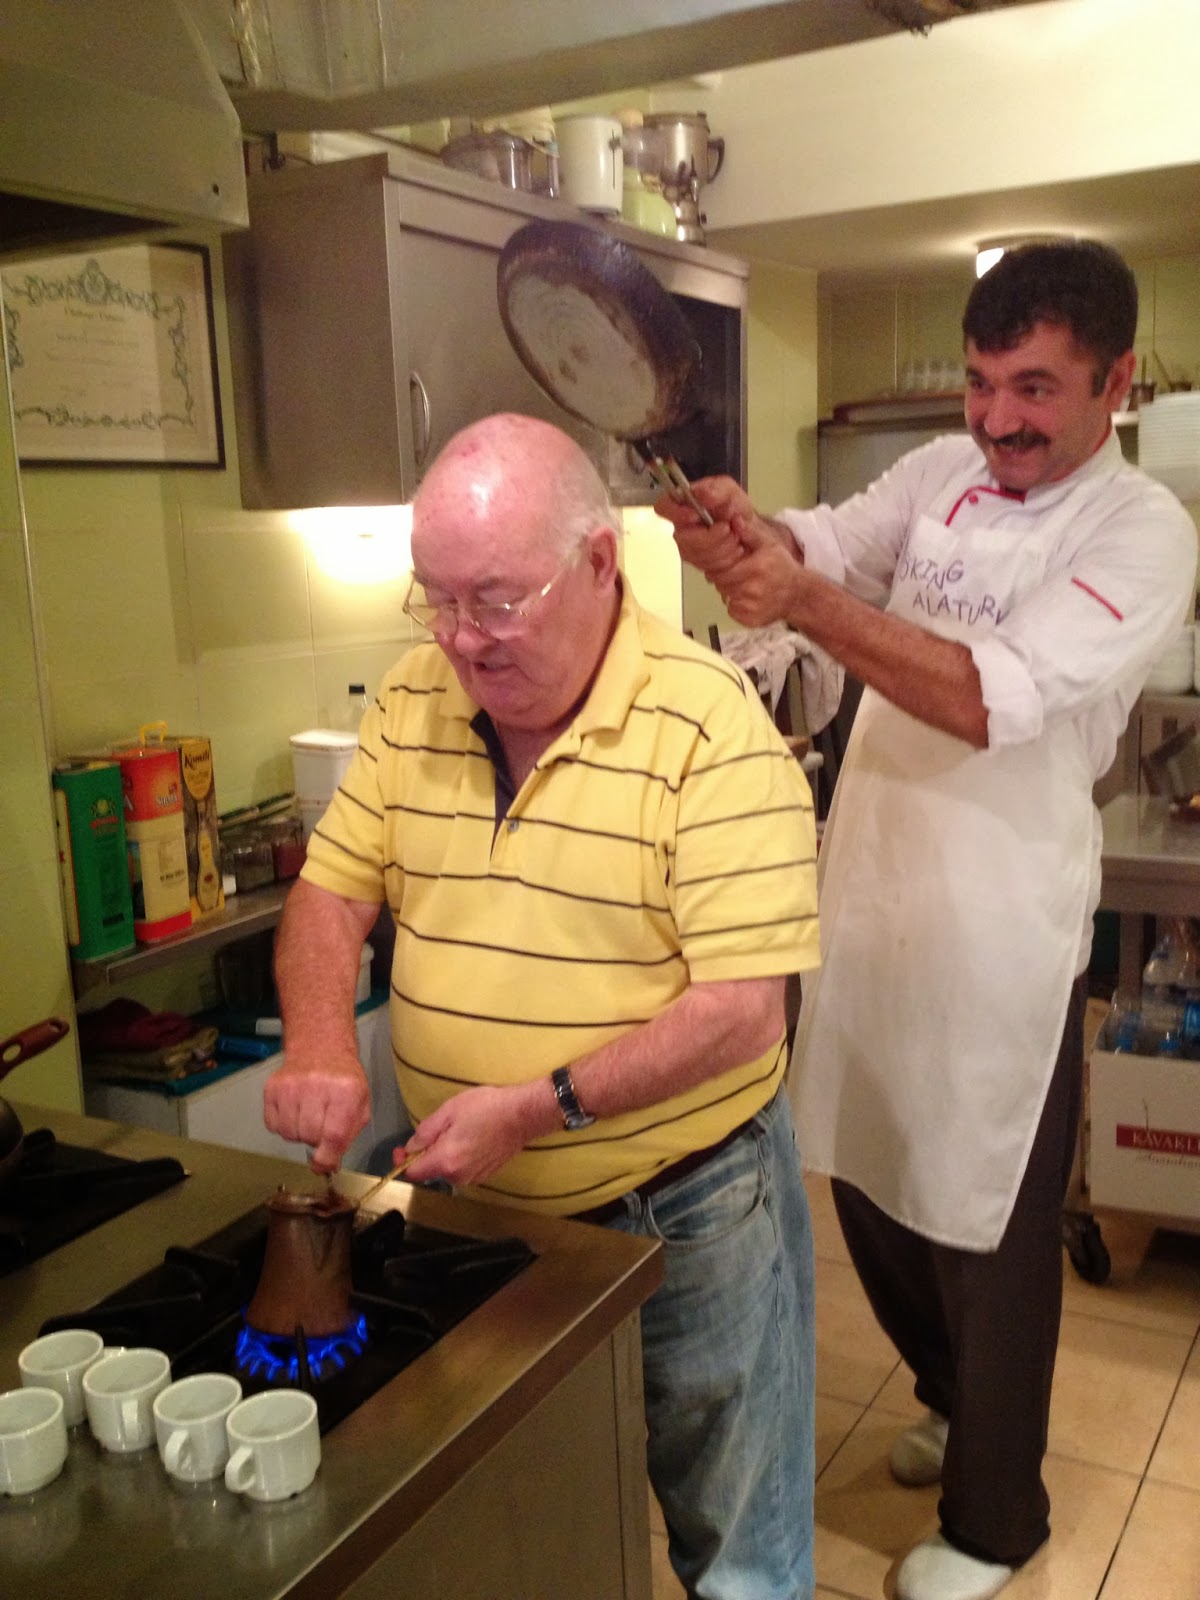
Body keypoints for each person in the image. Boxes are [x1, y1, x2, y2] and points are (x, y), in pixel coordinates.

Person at [653, 240, 1197, 1600]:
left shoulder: (1143, 533)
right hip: (883, 878)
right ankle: (955, 1399)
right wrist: (751, 532)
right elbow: (826, 545)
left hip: (1003, 919)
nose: (999, 419)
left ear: (1116, 383)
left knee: (987, 1222)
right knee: (875, 1178)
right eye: (977, 383)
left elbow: (984, 695)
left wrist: (810, 602)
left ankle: (998, 1516)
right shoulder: (947, 476)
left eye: (1035, 388)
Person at [264, 412, 822, 1600]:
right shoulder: (416, 699)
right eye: (438, 600)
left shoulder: (710, 727)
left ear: (601, 564)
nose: (462, 639)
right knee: (537, 1516)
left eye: (498, 601)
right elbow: (327, 894)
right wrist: (319, 1041)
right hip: (478, 1204)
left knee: (736, 1545)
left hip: (686, 1206)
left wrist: (542, 1101)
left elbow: (742, 1010)